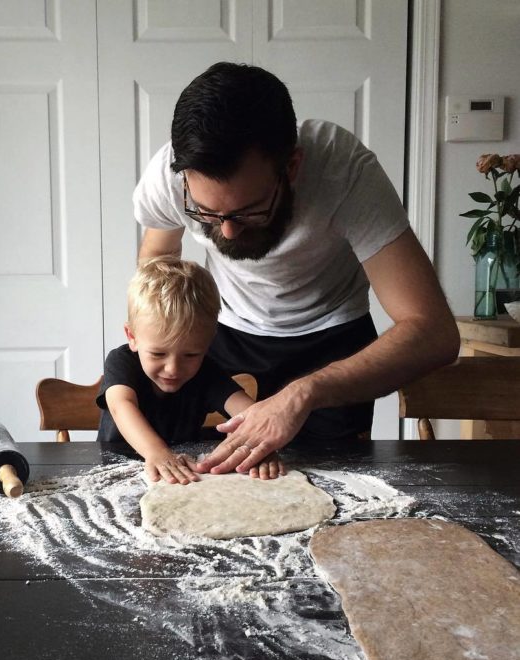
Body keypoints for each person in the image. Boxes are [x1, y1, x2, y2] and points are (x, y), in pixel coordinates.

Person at [133, 62, 460, 476]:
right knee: (215, 482)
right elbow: (157, 273)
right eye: (209, 214)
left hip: (332, 341)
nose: (229, 233)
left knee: (332, 487)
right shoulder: (170, 175)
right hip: (225, 336)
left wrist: (305, 392)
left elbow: (434, 332)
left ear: (291, 167)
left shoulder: (344, 172)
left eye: (248, 210)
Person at [96, 255, 285, 484]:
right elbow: (120, 406)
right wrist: (156, 453)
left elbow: (249, 413)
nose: (173, 368)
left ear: (208, 343)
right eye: (158, 354)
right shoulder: (122, 361)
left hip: (182, 476)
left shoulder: (207, 371)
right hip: (115, 476)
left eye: (191, 355)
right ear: (132, 337)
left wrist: (260, 446)